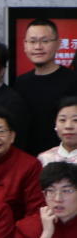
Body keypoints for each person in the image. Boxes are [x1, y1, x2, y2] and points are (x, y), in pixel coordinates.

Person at [14, 19, 77, 155]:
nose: (38, 47)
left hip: (64, 159)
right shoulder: (20, 82)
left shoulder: (73, 80)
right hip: (28, 159)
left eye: (45, 41)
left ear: (58, 44)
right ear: (25, 45)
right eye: (32, 41)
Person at [0, 107, 45, 221]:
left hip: (16, 229)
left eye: (1, 131)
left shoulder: (30, 165)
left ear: (12, 136)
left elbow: (36, 212)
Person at [37, 96, 77, 165]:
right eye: (62, 120)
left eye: (75, 120)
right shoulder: (44, 158)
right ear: (55, 124)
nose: (68, 126)